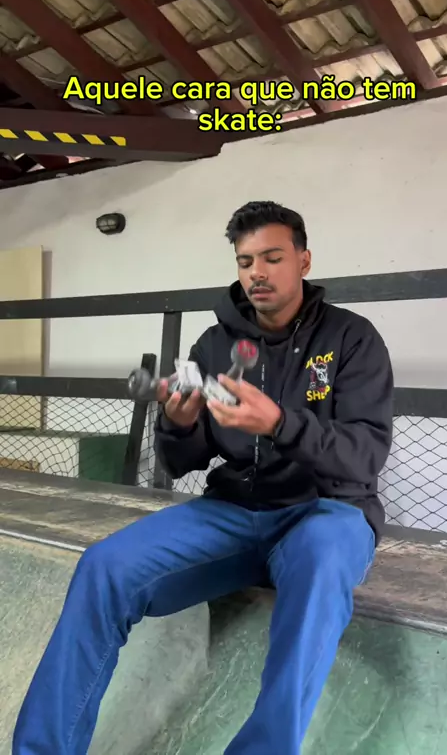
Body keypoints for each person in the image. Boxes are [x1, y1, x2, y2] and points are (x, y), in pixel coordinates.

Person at [13, 201, 393, 755]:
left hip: (325, 512)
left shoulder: (352, 339)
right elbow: (181, 461)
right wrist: (179, 422)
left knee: (319, 565)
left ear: (303, 260)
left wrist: (280, 424)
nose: (257, 272)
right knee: (104, 567)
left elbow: (365, 456)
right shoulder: (215, 345)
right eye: (245, 261)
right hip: (235, 511)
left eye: (272, 257)